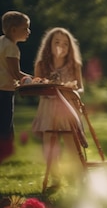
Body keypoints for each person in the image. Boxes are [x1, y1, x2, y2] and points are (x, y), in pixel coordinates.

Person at [31, 27, 85, 190]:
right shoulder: (42, 64)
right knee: (50, 144)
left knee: (71, 144)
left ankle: (79, 178)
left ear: (70, 48)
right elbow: (36, 85)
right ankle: (56, 178)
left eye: (65, 44)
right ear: (49, 45)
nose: (61, 46)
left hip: (67, 107)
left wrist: (70, 88)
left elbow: (80, 88)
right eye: (56, 42)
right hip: (48, 107)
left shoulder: (74, 65)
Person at [0, 11, 31, 163]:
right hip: (4, 91)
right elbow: (15, 73)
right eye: (25, 28)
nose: (28, 32)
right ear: (13, 30)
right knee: (5, 128)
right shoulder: (12, 48)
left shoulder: (1, 42)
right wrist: (33, 80)